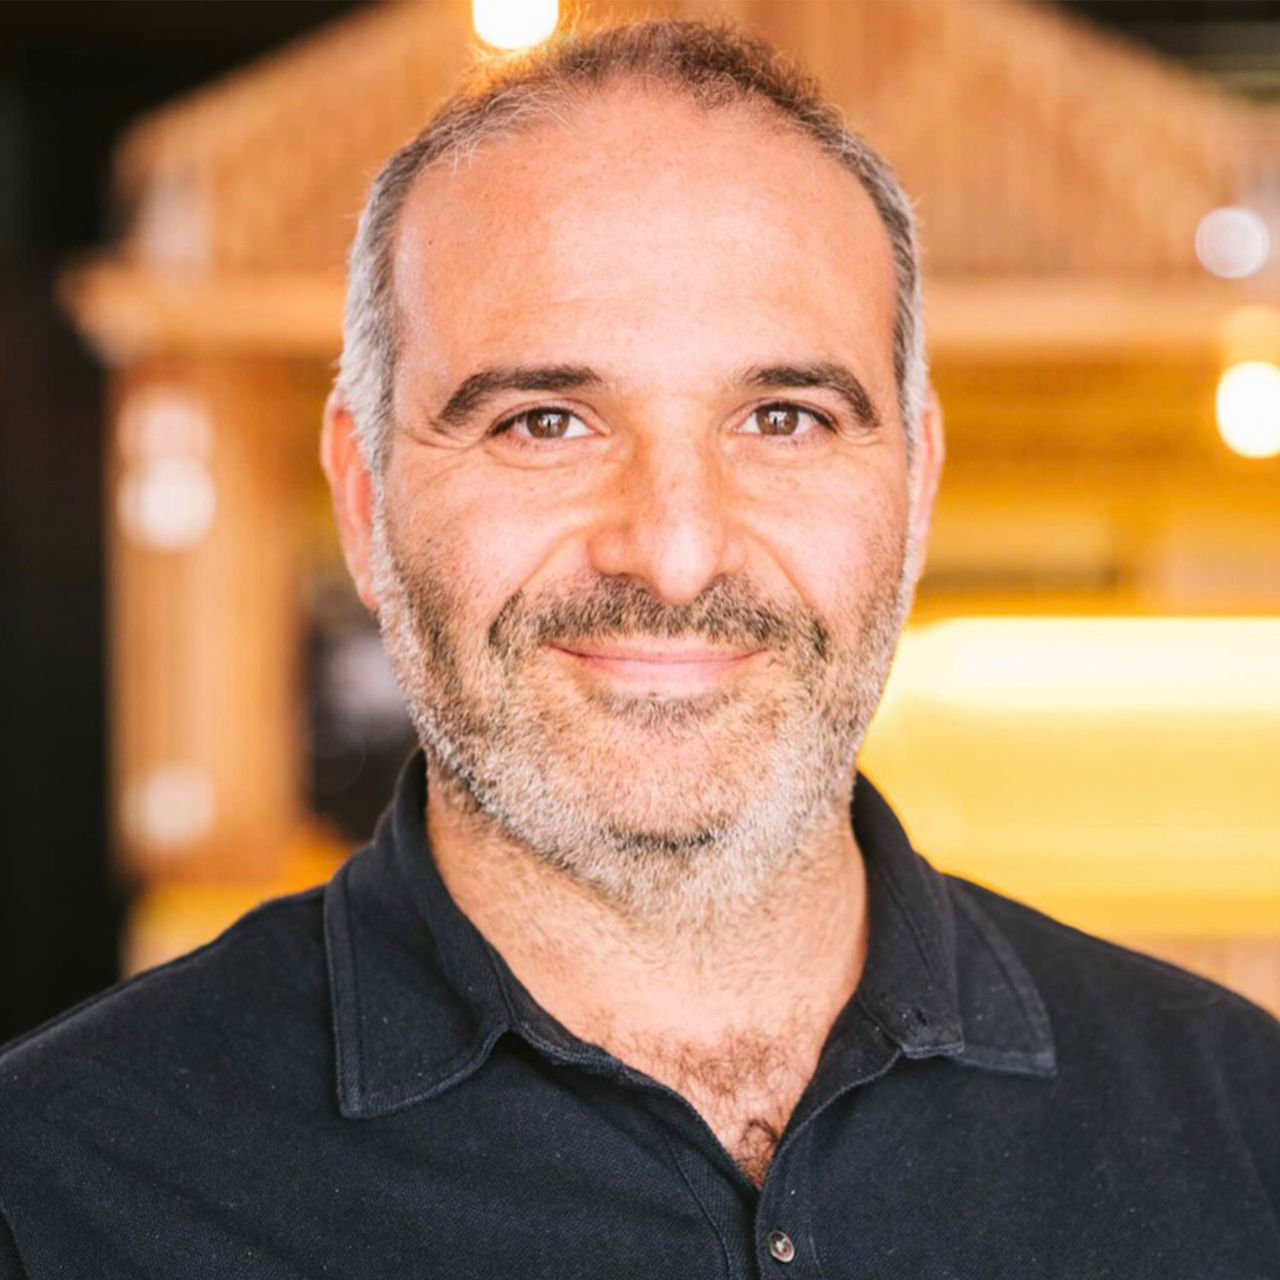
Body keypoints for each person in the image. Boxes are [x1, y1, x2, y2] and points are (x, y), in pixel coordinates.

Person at [2, 18, 1278, 1278]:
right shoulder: (59, 1190)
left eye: (782, 417)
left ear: (917, 479)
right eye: (544, 421)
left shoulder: (1241, 1134)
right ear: (365, 489)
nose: (671, 552)